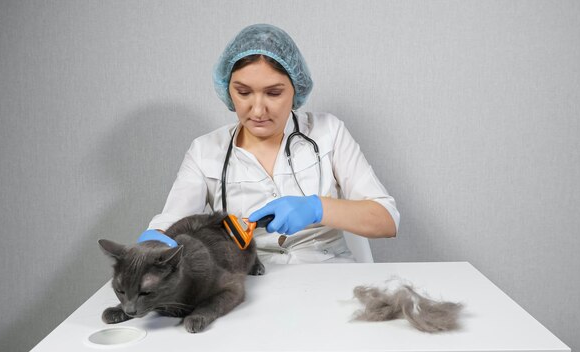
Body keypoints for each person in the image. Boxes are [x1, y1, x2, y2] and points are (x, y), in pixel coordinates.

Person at [142, 24, 399, 264]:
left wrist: (316, 208)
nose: (257, 109)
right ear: (227, 89)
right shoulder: (205, 151)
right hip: (250, 283)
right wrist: (154, 243)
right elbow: (171, 223)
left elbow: (386, 220)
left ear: (296, 89)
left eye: (274, 93)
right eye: (243, 92)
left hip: (330, 277)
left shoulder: (328, 132)